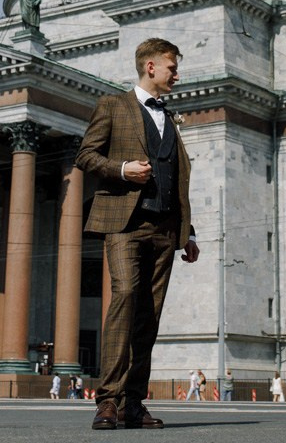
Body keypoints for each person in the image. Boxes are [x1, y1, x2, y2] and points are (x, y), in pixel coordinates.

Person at [77, 38, 200, 431]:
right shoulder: (113, 106)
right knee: (126, 296)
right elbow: (86, 155)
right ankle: (107, 401)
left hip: (165, 229)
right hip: (125, 223)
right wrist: (123, 169)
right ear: (150, 67)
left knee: (149, 316)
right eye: (172, 68)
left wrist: (188, 233)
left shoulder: (169, 117)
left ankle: (133, 403)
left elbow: (177, 179)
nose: (176, 75)